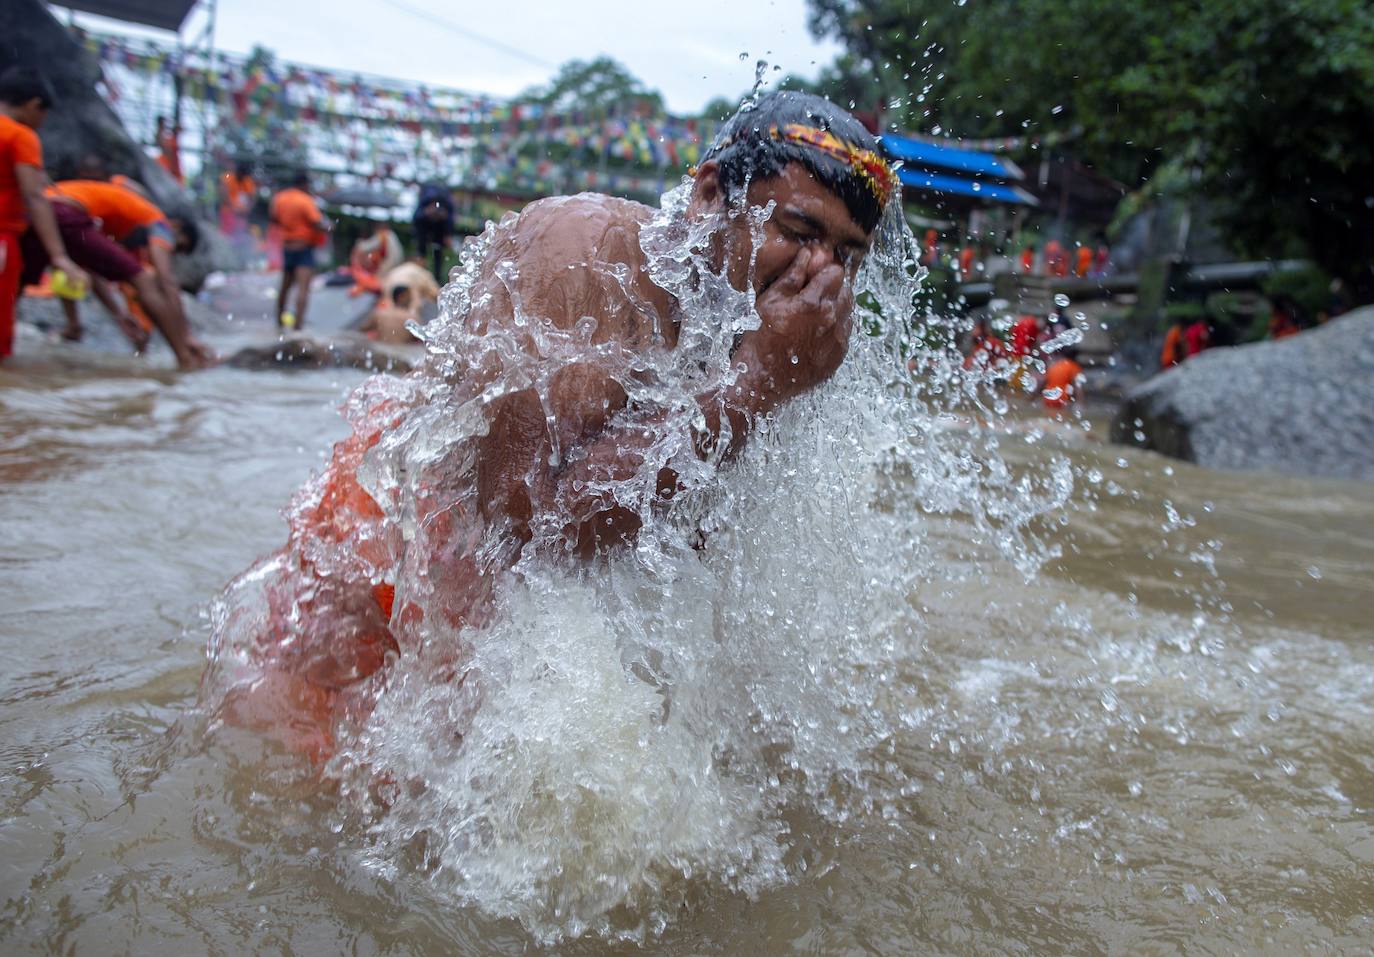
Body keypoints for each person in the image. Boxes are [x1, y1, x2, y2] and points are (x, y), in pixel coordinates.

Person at [216, 91, 898, 757]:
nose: (823, 278)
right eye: (799, 234)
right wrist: (754, 384)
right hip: (388, 561)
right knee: (317, 779)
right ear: (711, 197)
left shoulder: (766, 320)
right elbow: (527, 525)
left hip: (487, 597)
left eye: (847, 256)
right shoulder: (585, 252)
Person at [28, 178, 212, 367]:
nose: (171, 251)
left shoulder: (108, 224)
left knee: (19, 282)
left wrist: (119, 313)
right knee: (145, 280)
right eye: (178, 246)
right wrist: (186, 336)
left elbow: (92, 270)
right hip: (63, 210)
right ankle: (184, 358)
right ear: (176, 227)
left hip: (33, 213)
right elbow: (166, 280)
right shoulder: (160, 222)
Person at [1, 67, 87, 363]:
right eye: (43, 115)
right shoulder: (20, 136)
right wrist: (59, 256)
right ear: (34, 104)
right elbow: (35, 197)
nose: (42, 123)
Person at [270, 171, 328, 329]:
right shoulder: (305, 200)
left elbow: (274, 218)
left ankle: (279, 320)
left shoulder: (280, 198)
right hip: (303, 248)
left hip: (287, 246)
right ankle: (298, 325)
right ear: (304, 184)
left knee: (285, 285)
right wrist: (328, 226)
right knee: (303, 288)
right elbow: (317, 222)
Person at [347, 219, 402, 297]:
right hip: (396, 264)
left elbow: (366, 247)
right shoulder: (392, 235)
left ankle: (381, 296)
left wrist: (358, 243)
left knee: (379, 282)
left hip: (390, 264)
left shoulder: (383, 234)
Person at [412, 182, 454, 281]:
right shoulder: (425, 203)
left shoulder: (446, 206)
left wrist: (448, 234)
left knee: (437, 253)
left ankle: (436, 278)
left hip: (439, 229)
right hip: (424, 225)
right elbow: (416, 219)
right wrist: (426, 213)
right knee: (421, 251)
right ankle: (419, 274)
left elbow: (450, 220)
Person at [219, 160, 257, 257]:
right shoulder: (228, 177)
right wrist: (233, 207)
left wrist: (247, 209)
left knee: (241, 236)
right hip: (228, 213)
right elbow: (223, 192)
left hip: (241, 215)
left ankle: (239, 256)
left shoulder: (248, 181)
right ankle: (226, 254)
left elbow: (252, 198)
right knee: (228, 236)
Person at [1041, 346, 1083, 410]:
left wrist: (1031, 398)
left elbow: (1043, 382)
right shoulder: (1074, 366)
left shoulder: (1054, 364)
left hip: (1048, 398)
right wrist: (1080, 404)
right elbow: (1078, 388)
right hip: (1063, 401)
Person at [154, 116, 181, 183]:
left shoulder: (172, 141)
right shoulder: (168, 142)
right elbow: (160, 141)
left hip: (173, 173)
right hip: (168, 171)